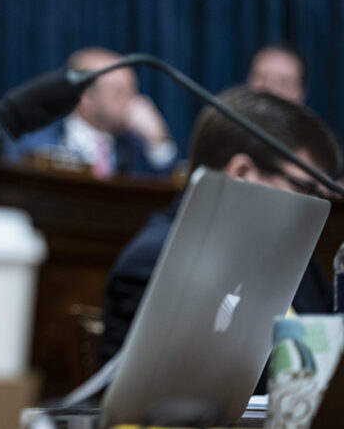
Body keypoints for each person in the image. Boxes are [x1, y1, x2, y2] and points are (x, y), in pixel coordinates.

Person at [100, 86, 342, 365]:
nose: (315, 207)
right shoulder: (155, 260)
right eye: (304, 187)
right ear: (242, 173)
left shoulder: (297, 257)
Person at [7, 47, 178, 178]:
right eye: (120, 93)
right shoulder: (36, 146)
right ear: (85, 97)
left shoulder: (137, 151)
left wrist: (157, 140)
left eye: (133, 91)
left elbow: (168, 199)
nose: (133, 101)